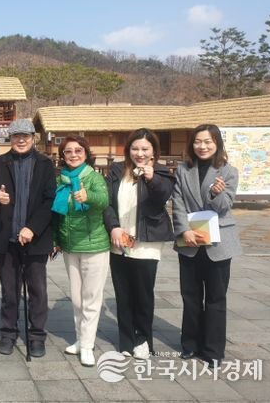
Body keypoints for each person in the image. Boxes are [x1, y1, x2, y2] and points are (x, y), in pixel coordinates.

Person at [0, 119, 55, 358]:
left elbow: (50, 200)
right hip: (7, 237)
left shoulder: (45, 164)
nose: (21, 140)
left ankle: (37, 336)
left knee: (38, 290)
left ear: (33, 138)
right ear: (10, 138)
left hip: (35, 238)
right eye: (16, 136)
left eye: (25, 136)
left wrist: (32, 228)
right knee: (9, 290)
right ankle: (8, 333)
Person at [172, 124, 242, 367]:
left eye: (208, 142)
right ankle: (190, 344)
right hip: (189, 240)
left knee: (216, 298)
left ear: (217, 143)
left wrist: (216, 194)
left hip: (218, 244)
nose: (202, 146)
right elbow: (177, 201)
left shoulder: (229, 171)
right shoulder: (183, 169)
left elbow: (224, 207)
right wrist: (184, 230)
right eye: (198, 142)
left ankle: (213, 350)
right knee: (190, 296)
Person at [103, 128, 175, 360]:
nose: (140, 153)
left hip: (146, 242)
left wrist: (151, 177)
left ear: (154, 151)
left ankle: (143, 340)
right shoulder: (117, 170)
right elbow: (106, 203)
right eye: (135, 148)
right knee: (123, 293)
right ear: (128, 150)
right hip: (119, 240)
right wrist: (113, 226)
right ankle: (126, 340)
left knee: (143, 294)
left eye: (145, 149)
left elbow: (163, 195)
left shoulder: (161, 172)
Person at [52, 135, 109, 367]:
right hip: (69, 245)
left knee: (91, 297)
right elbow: (57, 214)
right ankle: (80, 338)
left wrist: (89, 196)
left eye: (78, 151)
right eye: (68, 151)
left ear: (86, 154)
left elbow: (104, 200)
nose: (73, 155)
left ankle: (87, 345)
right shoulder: (61, 179)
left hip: (94, 244)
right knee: (76, 298)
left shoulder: (94, 177)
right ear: (62, 156)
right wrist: (56, 240)